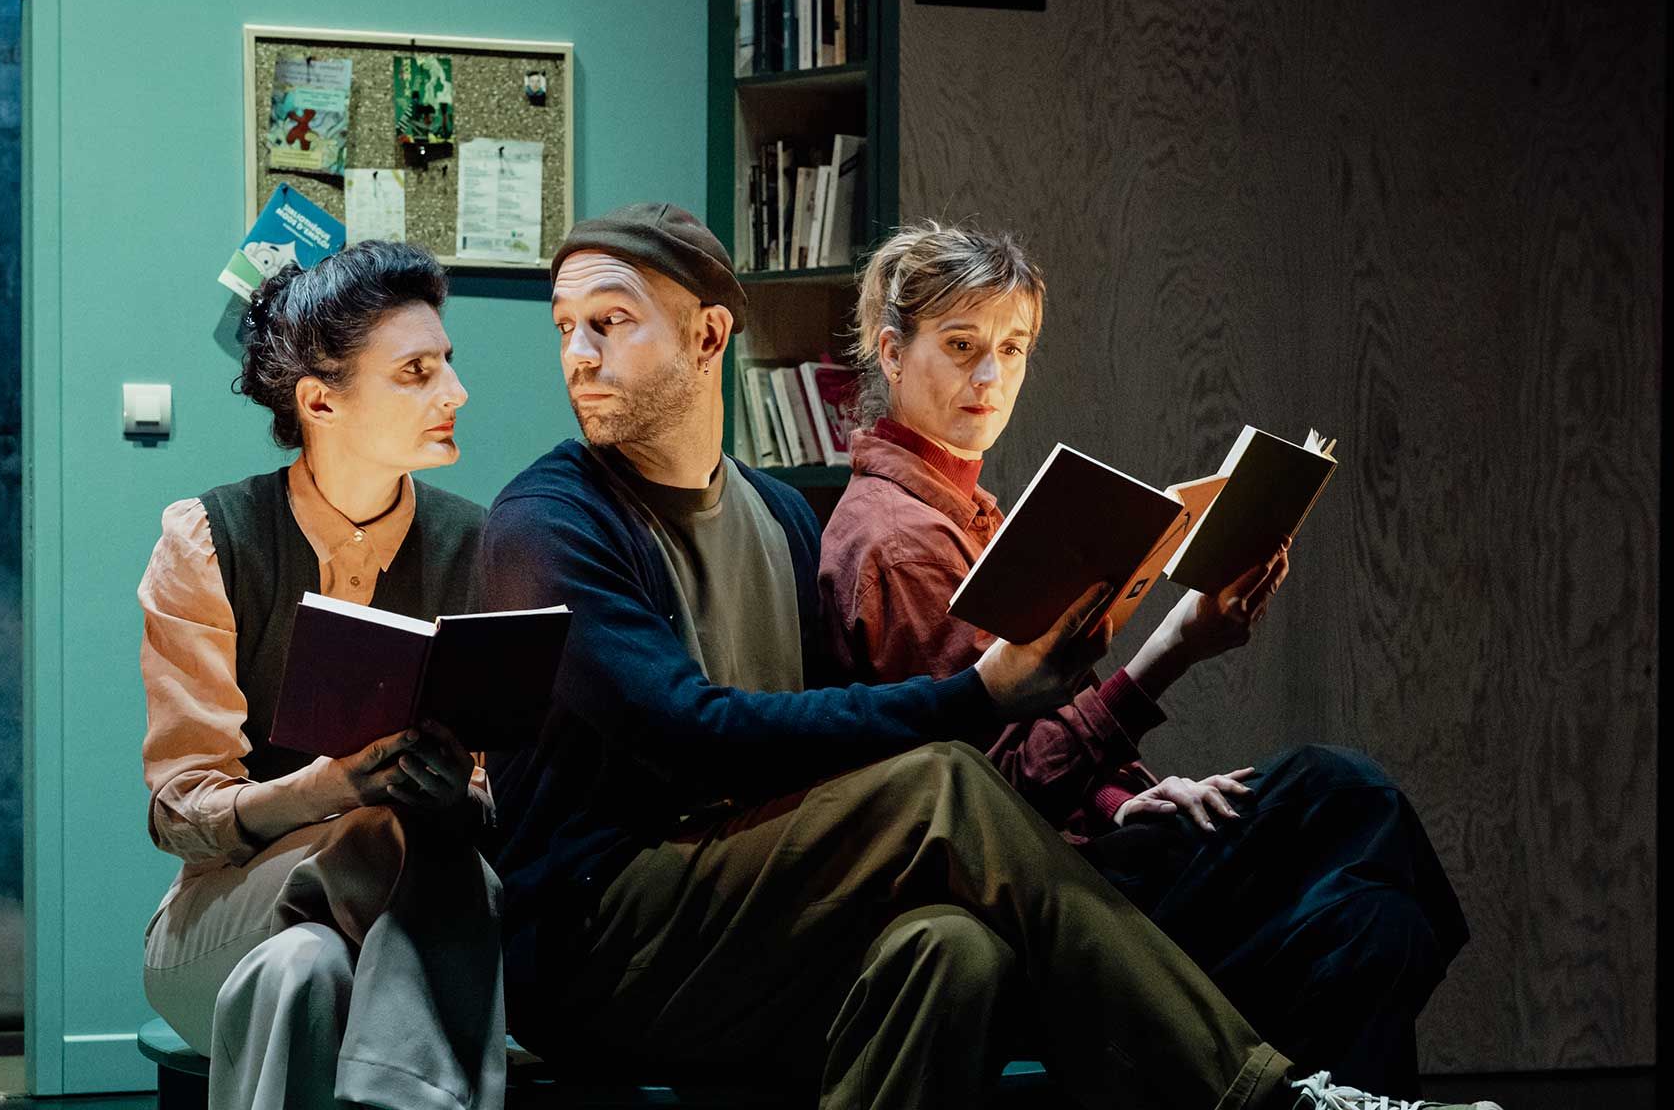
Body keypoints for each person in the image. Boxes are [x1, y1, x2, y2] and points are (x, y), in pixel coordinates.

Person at [477, 202, 1502, 1110]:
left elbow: (818, 752)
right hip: (600, 932)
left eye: (608, 321)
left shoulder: (780, 517)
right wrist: (983, 694)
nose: (578, 353)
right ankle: (1266, 1099)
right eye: (566, 327)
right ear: (892, 354)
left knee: (954, 952)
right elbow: (691, 732)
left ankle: (1337, 1095)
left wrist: (1111, 788)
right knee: (949, 782)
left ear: (708, 335)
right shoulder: (548, 520)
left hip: (750, 899)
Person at [815, 221, 1470, 1094]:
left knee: (1378, 926)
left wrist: (1123, 798)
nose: (991, 379)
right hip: (1043, 908)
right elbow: (985, 800)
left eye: (1013, 349)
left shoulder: (964, 515)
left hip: (1087, 849)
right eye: (962, 346)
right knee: (1337, 790)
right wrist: (1172, 649)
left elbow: (1027, 745)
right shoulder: (898, 542)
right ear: (893, 354)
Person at [137, 241, 506, 1110]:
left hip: (376, 931)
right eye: (416, 372)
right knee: (380, 835)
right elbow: (182, 814)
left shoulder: (482, 548)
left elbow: (504, 795)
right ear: (320, 401)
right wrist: (332, 790)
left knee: (305, 969)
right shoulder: (210, 542)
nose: (455, 393)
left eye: (447, 363)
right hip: (223, 917)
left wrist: (458, 794)